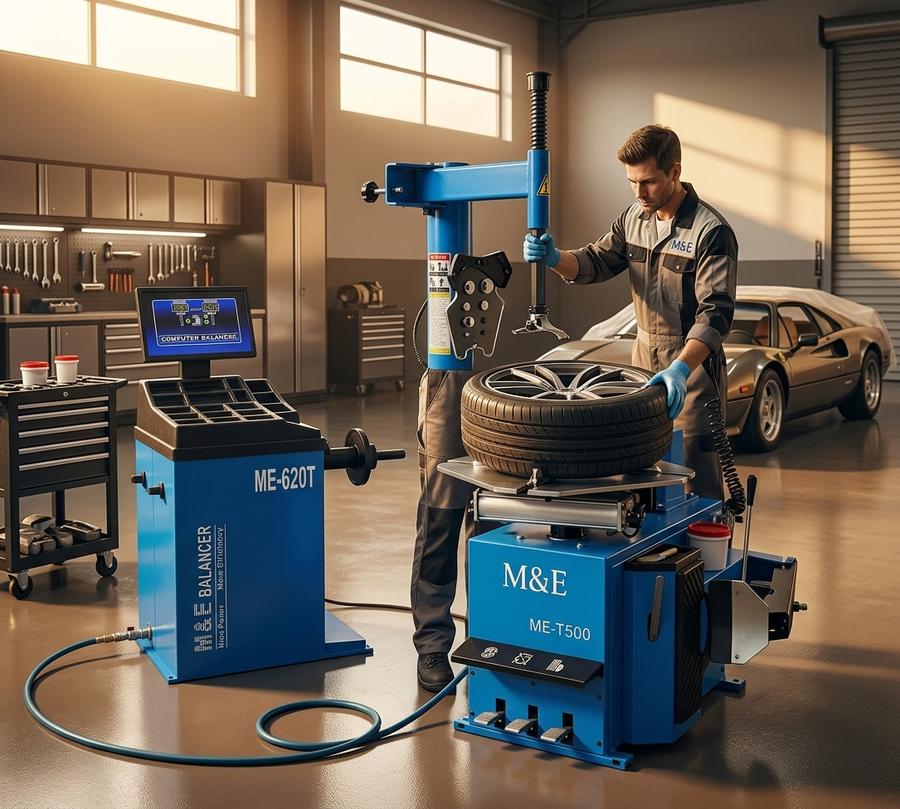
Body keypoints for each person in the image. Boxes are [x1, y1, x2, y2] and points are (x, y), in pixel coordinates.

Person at [524, 124, 737, 500]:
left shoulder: (711, 231)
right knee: (641, 470)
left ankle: (704, 539)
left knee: (695, 478)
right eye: (632, 182)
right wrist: (555, 258)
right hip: (642, 366)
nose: (639, 192)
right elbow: (595, 262)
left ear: (674, 171)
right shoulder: (632, 219)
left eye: (649, 182)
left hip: (692, 372)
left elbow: (715, 314)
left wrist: (680, 369)